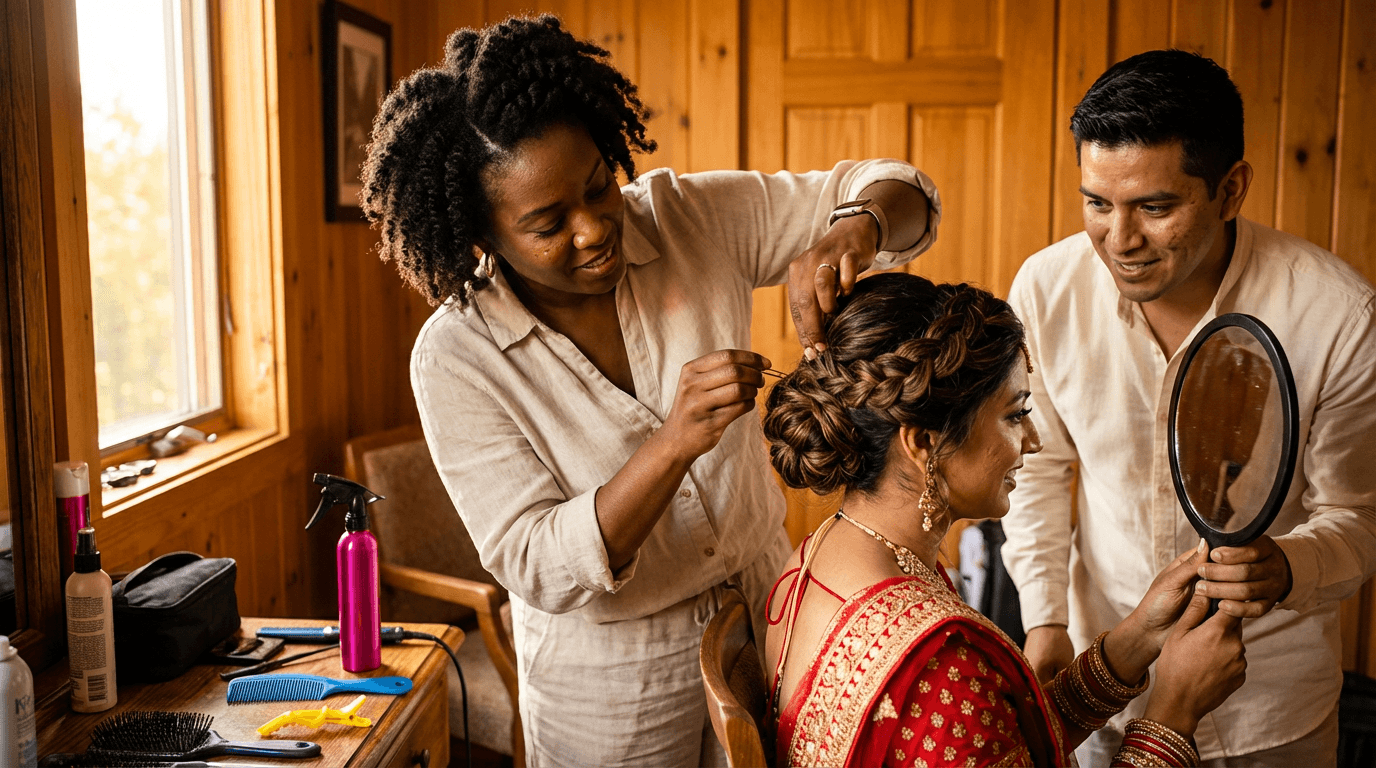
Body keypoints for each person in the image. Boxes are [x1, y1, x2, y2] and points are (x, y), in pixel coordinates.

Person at [359, 15, 941, 767]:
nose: (595, 226)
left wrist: (854, 225)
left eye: (599, 185)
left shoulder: (690, 217)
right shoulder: (455, 357)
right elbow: (534, 560)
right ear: (483, 236)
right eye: (547, 223)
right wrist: (672, 444)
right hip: (606, 682)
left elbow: (900, 193)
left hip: (766, 611)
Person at [1000, 49, 1376, 766]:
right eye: (1097, 203)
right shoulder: (1046, 289)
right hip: (1105, 685)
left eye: (1155, 207)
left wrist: (1288, 567)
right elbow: (1038, 465)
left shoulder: (1339, 315)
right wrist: (1043, 617)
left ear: (1230, 189)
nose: (1120, 240)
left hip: (1275, 711)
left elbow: (1360, 517)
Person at [761, 273, 1247, 767]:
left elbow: (996, 740)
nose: (1033, 441)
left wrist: (1138, 637)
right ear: (924, 443)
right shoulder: (943, 667)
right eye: (1016, 415)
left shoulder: (819, 557)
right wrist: (1175, 711)